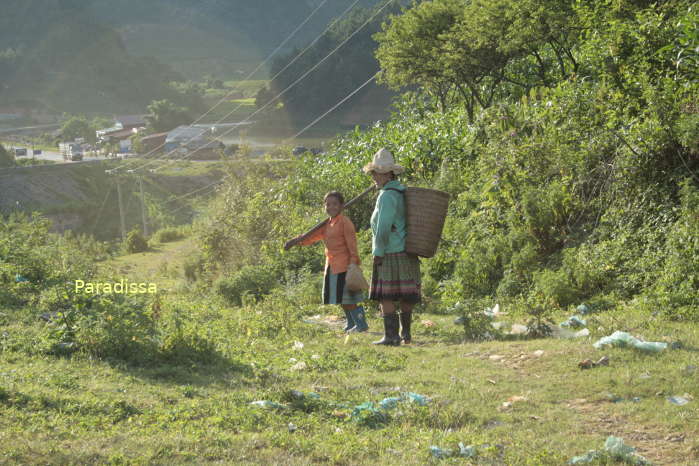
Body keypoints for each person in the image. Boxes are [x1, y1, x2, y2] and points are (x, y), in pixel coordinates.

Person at [284, 191, 368, 333]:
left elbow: (352, 245)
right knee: (341, 299)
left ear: (341, 205)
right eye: (328, 204)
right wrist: (296, 241)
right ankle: (350, 323)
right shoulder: (327, 224)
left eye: (335, 204)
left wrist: (353, 263)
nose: (331, 207)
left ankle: (361, 324)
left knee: (348, 299)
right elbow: (311, 237)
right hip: (332, 265)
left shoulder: (344, 222)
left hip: (345, 265)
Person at [363, 148, 420, 346]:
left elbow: (383, 227)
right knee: (406, 294)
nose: (374, 178)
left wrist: (377, 253)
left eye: (377, 173)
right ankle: (406, 334)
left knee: (385, 295)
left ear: (388, 174)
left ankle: (391, 336)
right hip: (406, 249)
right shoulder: (401, 191)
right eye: (374, 173)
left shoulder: (386, 196)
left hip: (390, 251)